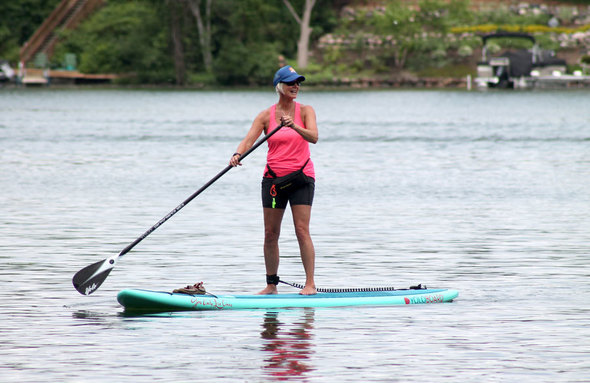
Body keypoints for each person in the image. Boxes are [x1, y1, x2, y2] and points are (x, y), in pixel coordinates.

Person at [229, 66, 318, 295]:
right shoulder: (265, 115)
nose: (296, 86)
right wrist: (237, 154)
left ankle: (310, 284)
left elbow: (314, 137)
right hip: (274, 181)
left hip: (301, 177)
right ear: (280, 87)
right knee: (270, 233)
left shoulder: (306, 111)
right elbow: (248, 140)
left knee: (301, 229)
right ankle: (271, 285)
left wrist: (294, 125)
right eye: (291, 83)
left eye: (298, 83)